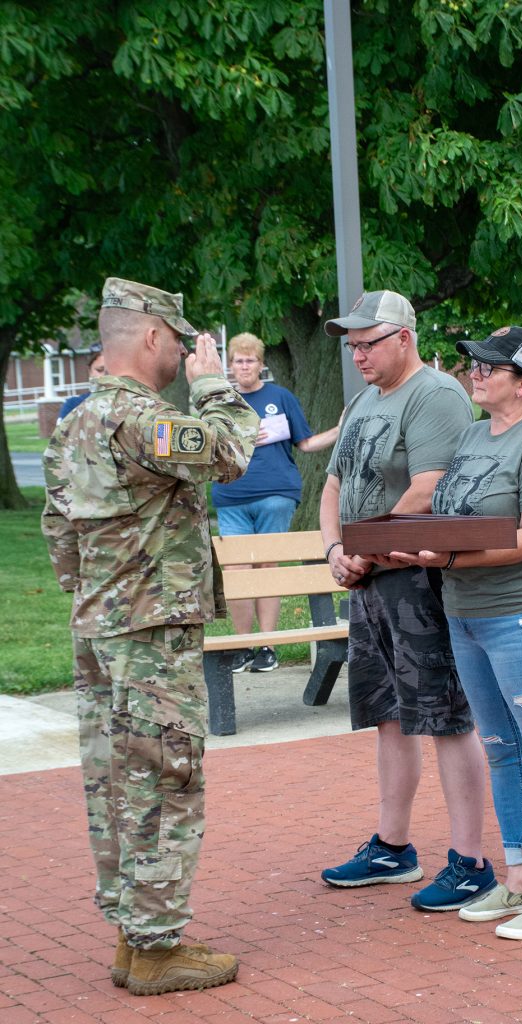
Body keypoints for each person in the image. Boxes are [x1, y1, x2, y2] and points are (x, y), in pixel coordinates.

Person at [41, 278, 260, 995]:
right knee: (166, 776)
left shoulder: (76, 420)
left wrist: (92, 592)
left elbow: (58, 530)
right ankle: (158, 946)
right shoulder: (143, 420)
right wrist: (217, 386)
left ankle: (132, 935)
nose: (183, 351)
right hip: (150, 628)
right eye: (179, 338)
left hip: (102, 625)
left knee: (115, 778)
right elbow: (229, 453)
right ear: (153, 337)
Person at [389, 325, 522, 940]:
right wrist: (409, 544)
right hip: (468, 615)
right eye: (473, 364)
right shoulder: (475, 435)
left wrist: (444, 561)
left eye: (487, 368)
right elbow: (453, 516)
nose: (473, 373)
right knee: (502, 750)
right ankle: (521, 878)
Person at [319, 289, 493, 911]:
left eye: (368, 344)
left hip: (419, 580)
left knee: (445, 715)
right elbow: (334, 484)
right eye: (352, 346)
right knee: (388, 713)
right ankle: (393, 848)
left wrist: (364, 549)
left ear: (404, 338)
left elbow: (430, 488)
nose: (358, 356)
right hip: (369, 582)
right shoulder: (365, 400)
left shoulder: (436, 396)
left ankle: (471, 861)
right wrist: (335, 550)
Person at [212, 331, 339, 673]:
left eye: (250, 360)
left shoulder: (280, 397)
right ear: (231, 365)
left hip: (276, 494)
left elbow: (307, 443)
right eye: (238, 360)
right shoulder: (220, 401)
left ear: (261, 364)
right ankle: (242, 646)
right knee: (237, 573)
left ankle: (267, 646)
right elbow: (206, 447)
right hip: (231, 496)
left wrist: (342, 428)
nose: (244, 366)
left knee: (267, 570)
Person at [56, 346, 106, 422]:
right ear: (90, 371)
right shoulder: (74, 405)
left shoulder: (127, 404)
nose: (106, 376)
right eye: (100, 370)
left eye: (111, 371)